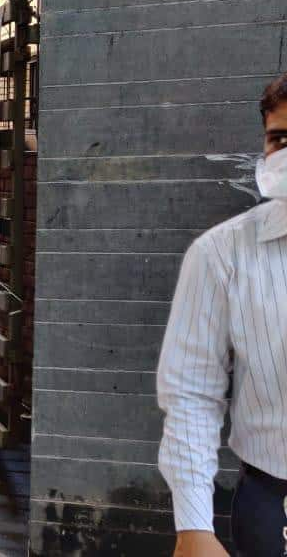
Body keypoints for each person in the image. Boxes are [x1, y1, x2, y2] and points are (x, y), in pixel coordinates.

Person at [157, 71, 287, 557]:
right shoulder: (222, 254)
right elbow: (192, 393)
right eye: (280, 139)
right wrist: (194, 526)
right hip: (274, 503)